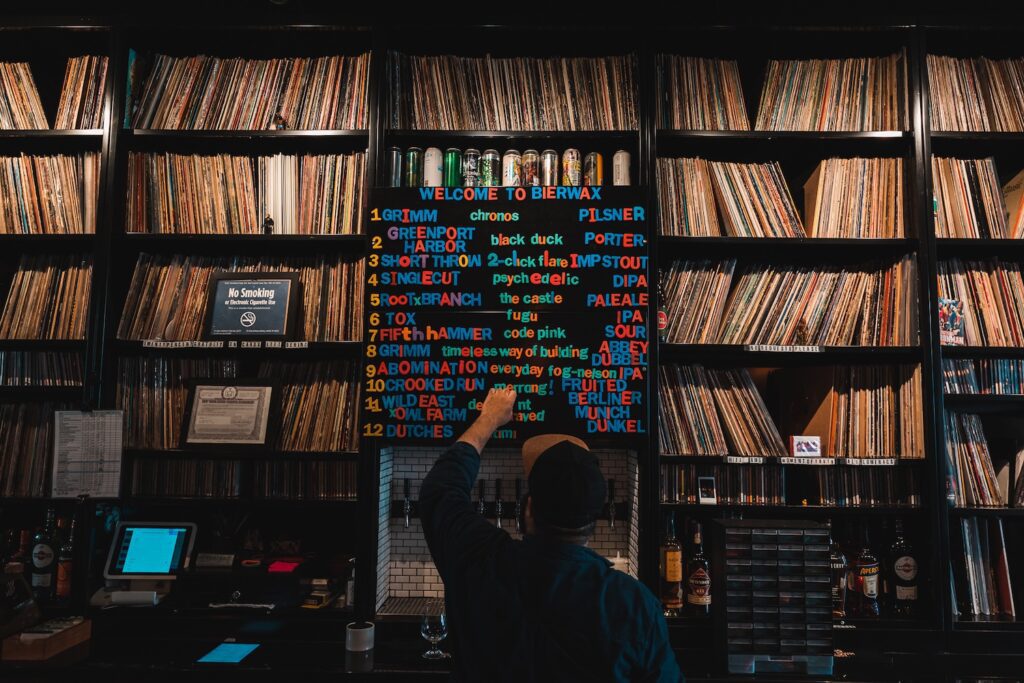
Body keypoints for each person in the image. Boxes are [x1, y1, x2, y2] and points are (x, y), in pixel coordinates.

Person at [419, 385, 682, 682]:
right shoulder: (633, 605)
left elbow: (440, 489)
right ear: (593, 520)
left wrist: (489, 418)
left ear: (527, 508)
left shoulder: (479, 560)